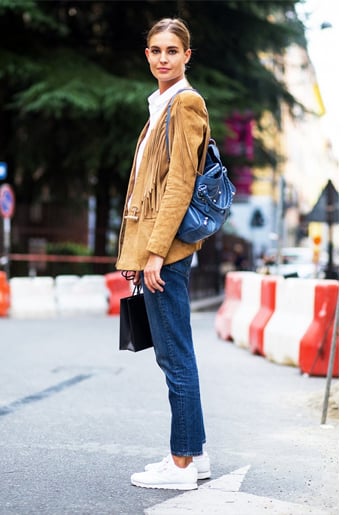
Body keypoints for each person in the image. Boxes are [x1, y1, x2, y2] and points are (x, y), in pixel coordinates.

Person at [116, 17, 211, 491]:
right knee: (176, 354)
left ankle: (181, 466)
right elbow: (145, 187)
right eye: (155, 50)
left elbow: (178, 185)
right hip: (156, 250)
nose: (162, 58)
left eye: (171, 50)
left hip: (166, 253)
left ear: (186, 55)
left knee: (175, 357)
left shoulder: (185, 103)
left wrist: (154, 253)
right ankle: (196, 452)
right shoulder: (161, 105)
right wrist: (137, 253)